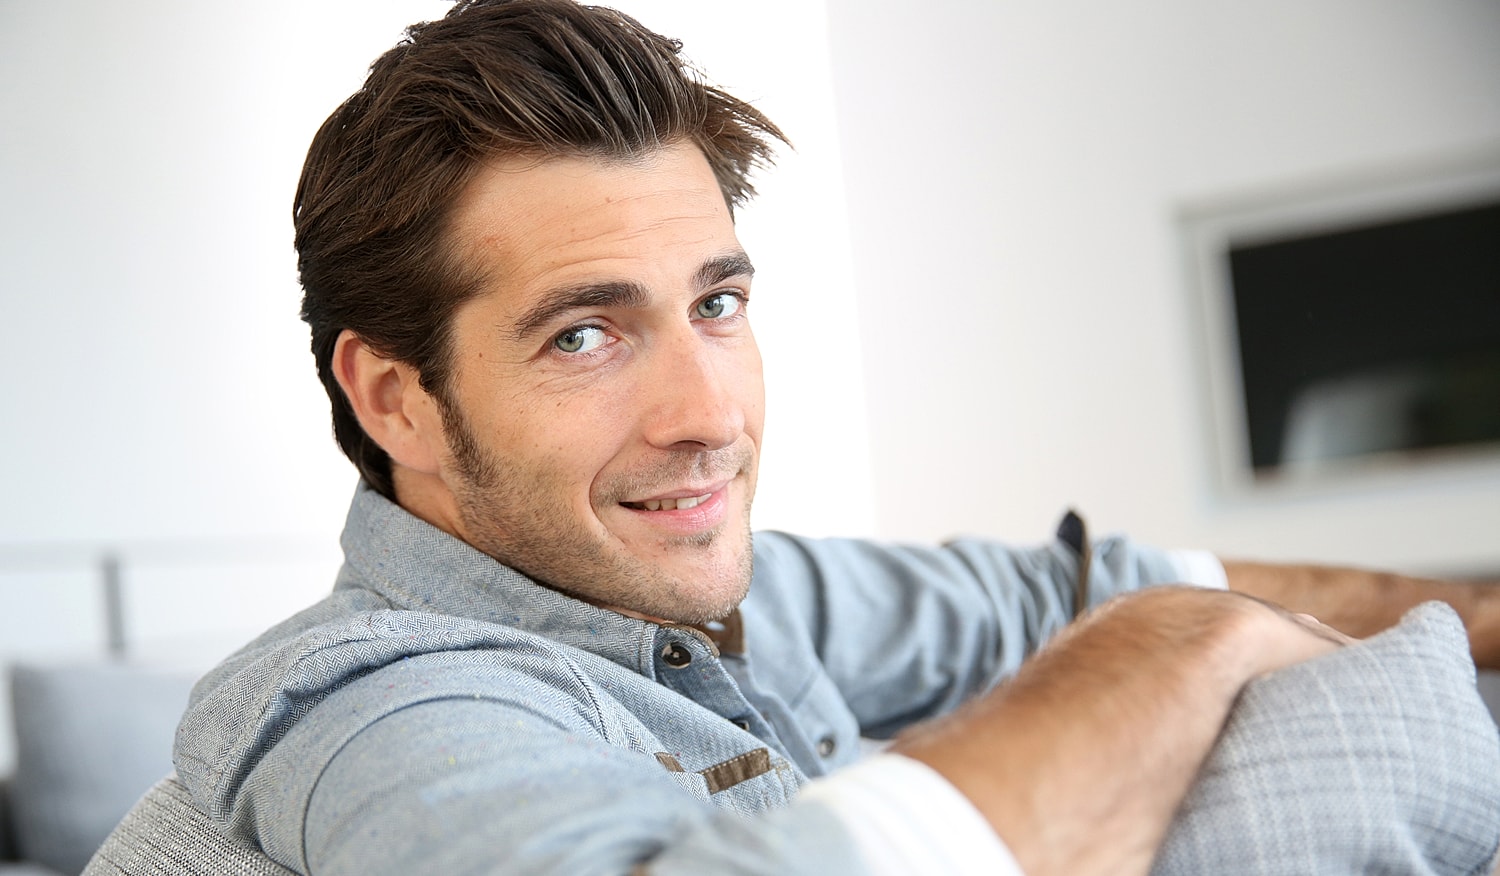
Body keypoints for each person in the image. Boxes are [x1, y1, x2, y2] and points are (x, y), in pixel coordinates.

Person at [172, 2, 1500, 874]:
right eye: (584, 335)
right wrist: (1175, 643)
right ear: (395, 396)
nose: (710, 419)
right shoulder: (366, 702)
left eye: (718, 304)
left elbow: (1066, 589)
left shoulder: (715, 591)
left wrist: (1476, 616)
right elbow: (1156, 610)